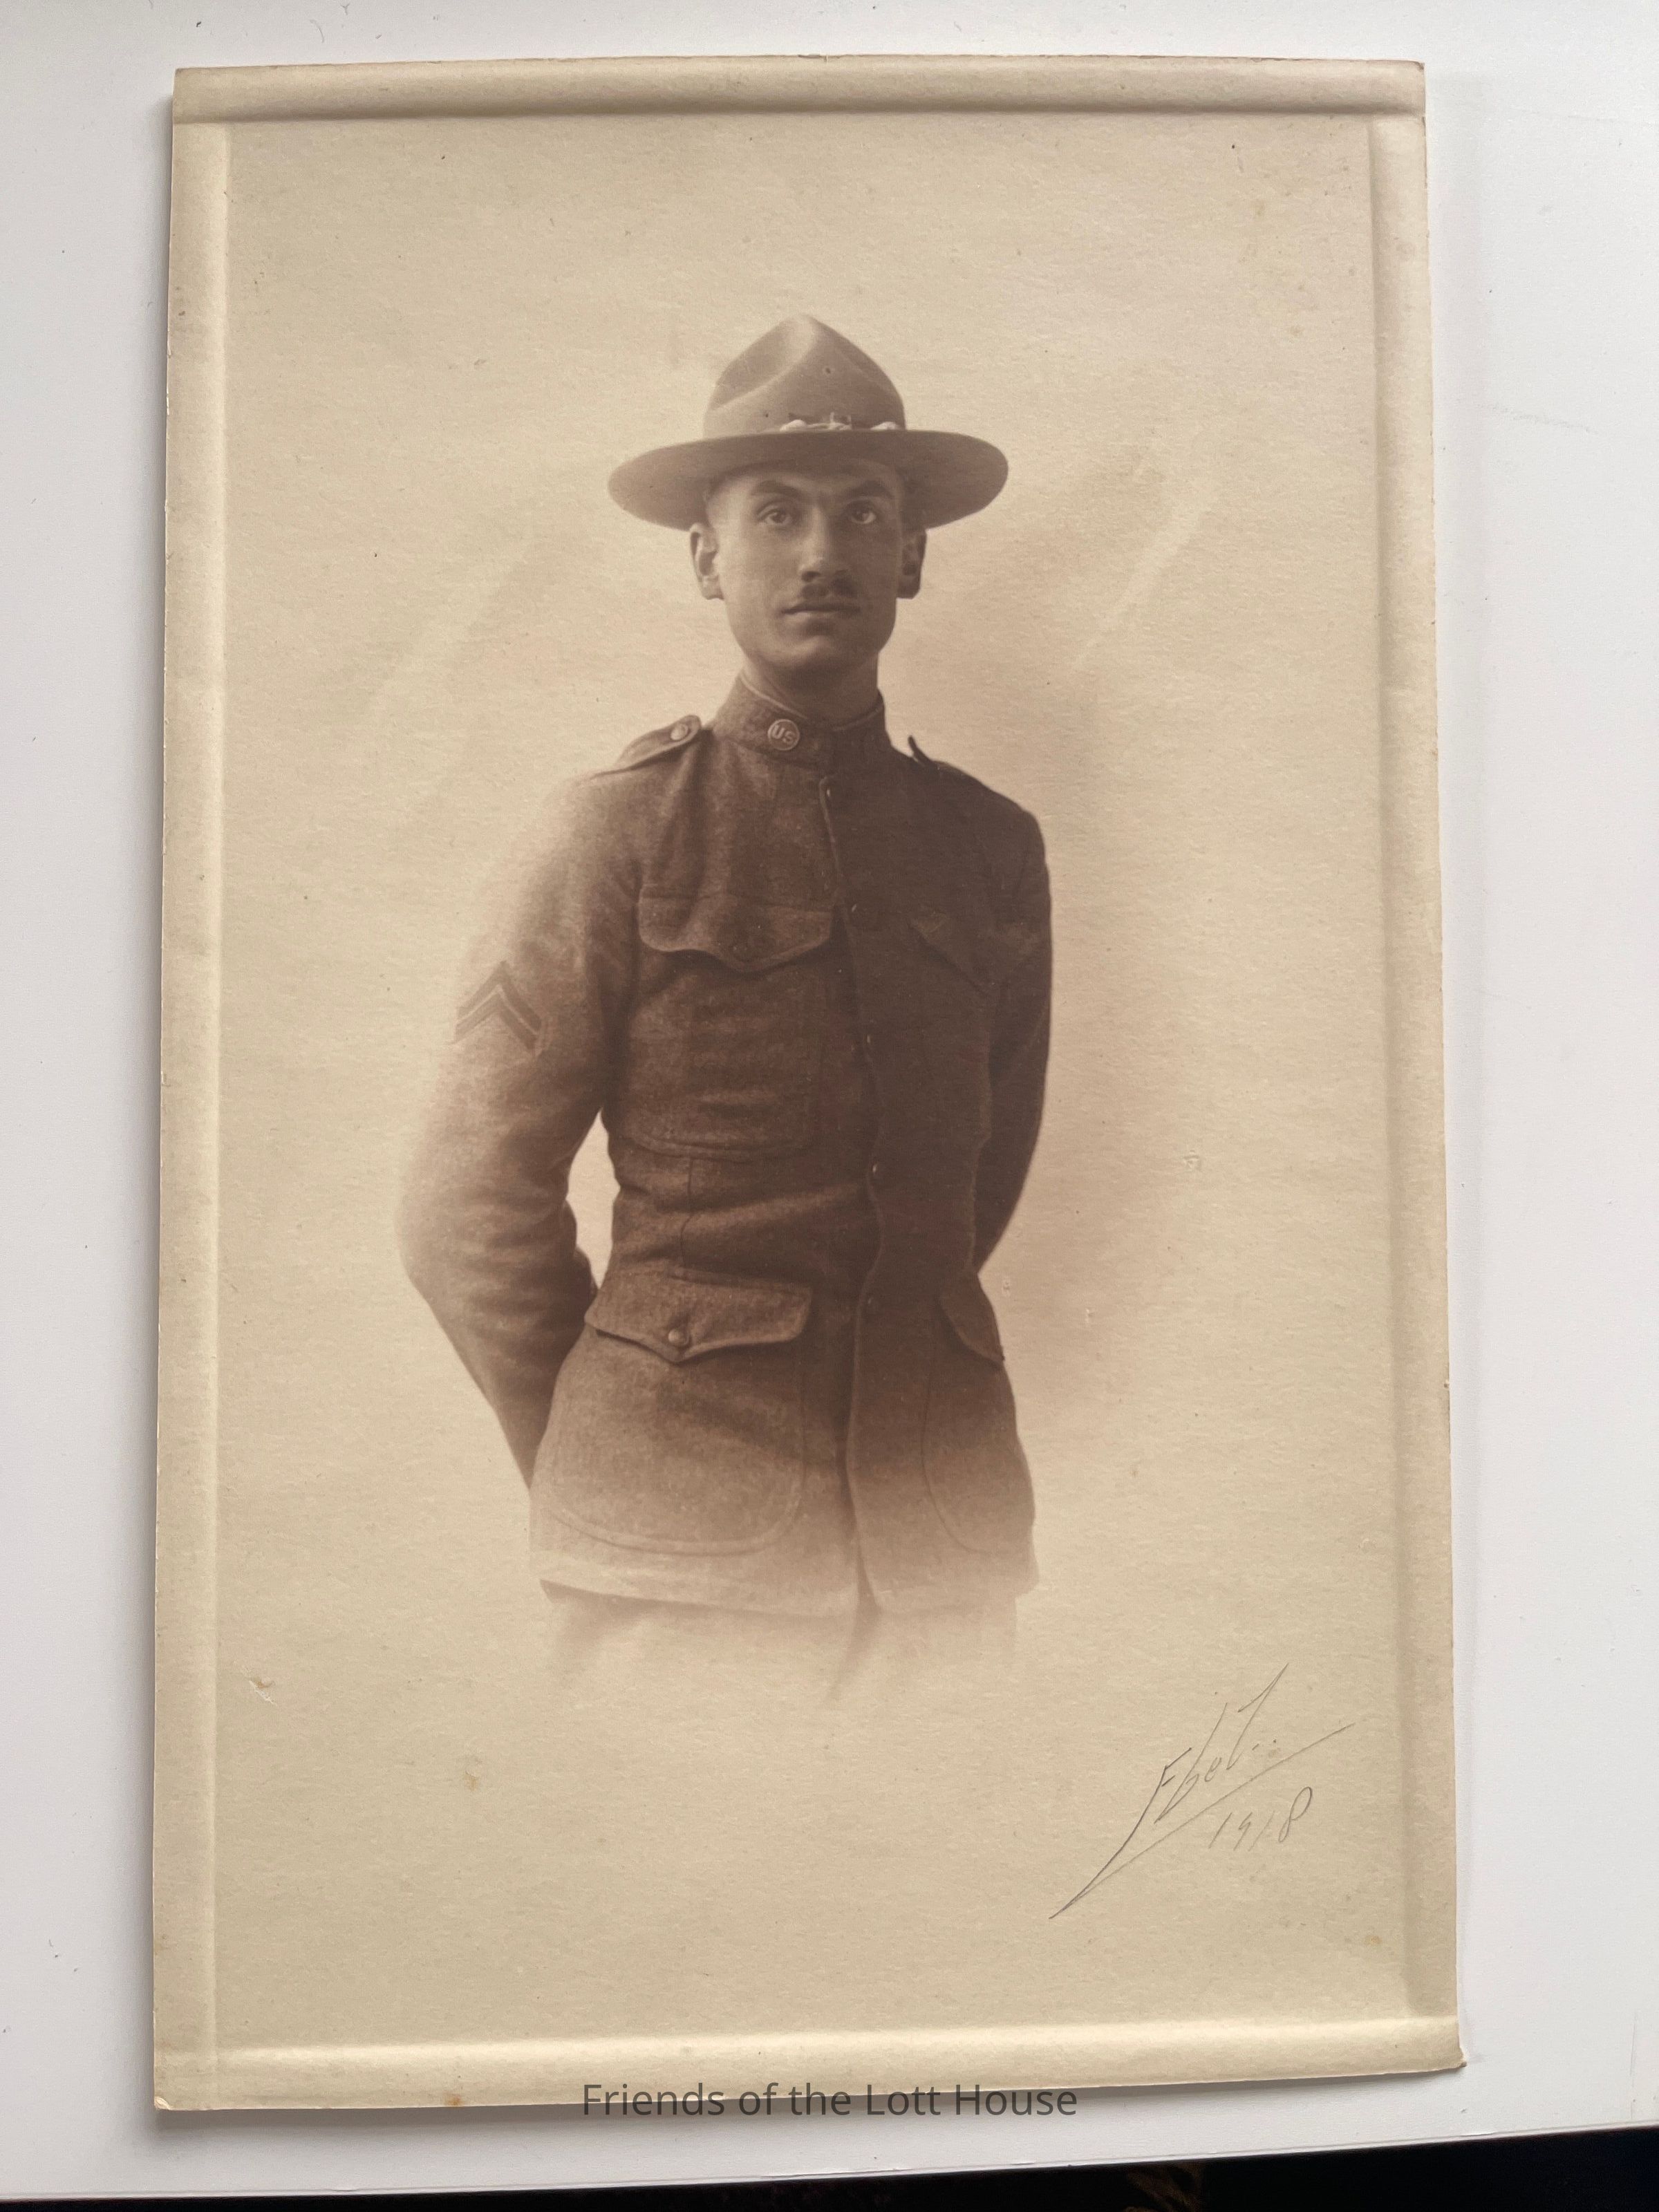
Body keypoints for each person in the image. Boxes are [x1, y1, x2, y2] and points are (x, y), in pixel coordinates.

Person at [398, 316, 1051, 1703]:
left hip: (941, 1550)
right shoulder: (612, 835)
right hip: (677, 1569)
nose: (822, 552)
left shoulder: (988, 847)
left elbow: (969, 1187)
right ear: (707, 558)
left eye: (863, 513)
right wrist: (613, 1446)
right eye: (776, 513)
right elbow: (465, 1206)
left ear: (912, 555)